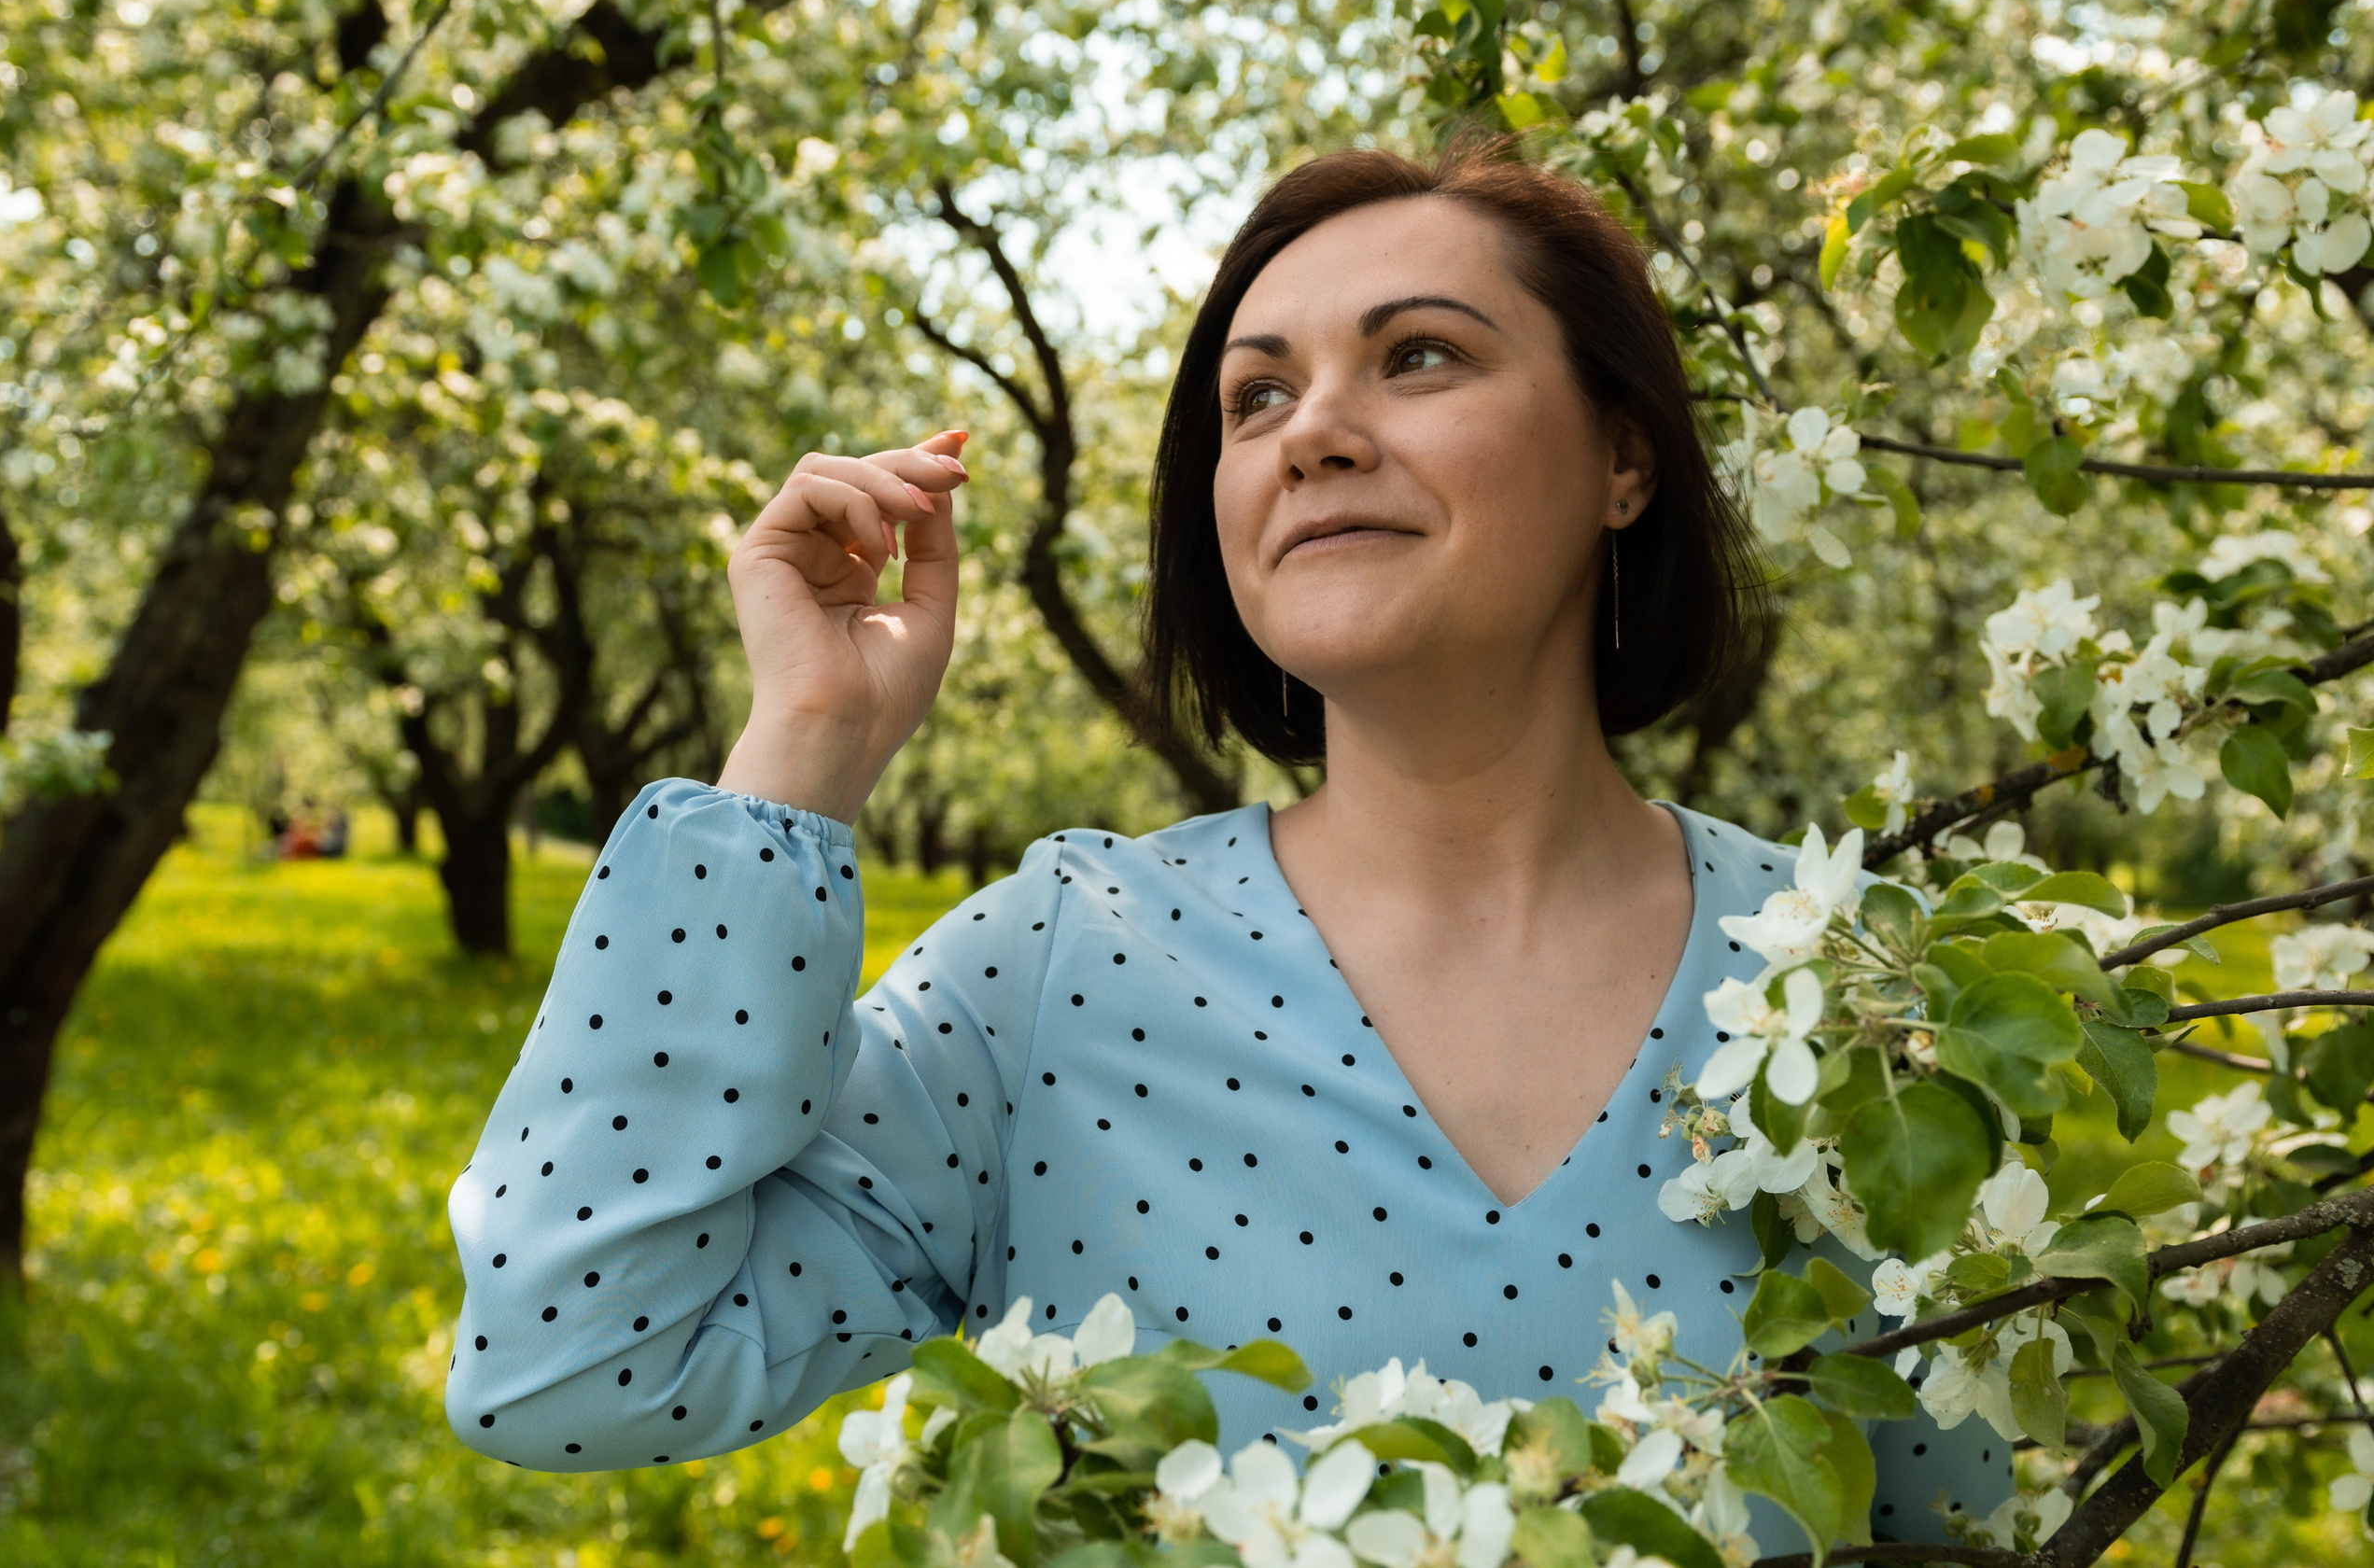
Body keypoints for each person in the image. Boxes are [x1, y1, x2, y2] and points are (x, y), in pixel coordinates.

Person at [442, 129, 2010, 1548]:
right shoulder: (1059, 968)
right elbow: (573, 1364)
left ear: (1624, 460)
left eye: (1419, 358)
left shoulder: (1860, 999)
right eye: (1256, 396)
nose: (1312, 432)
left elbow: (1954, 1534)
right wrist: (807, 746)